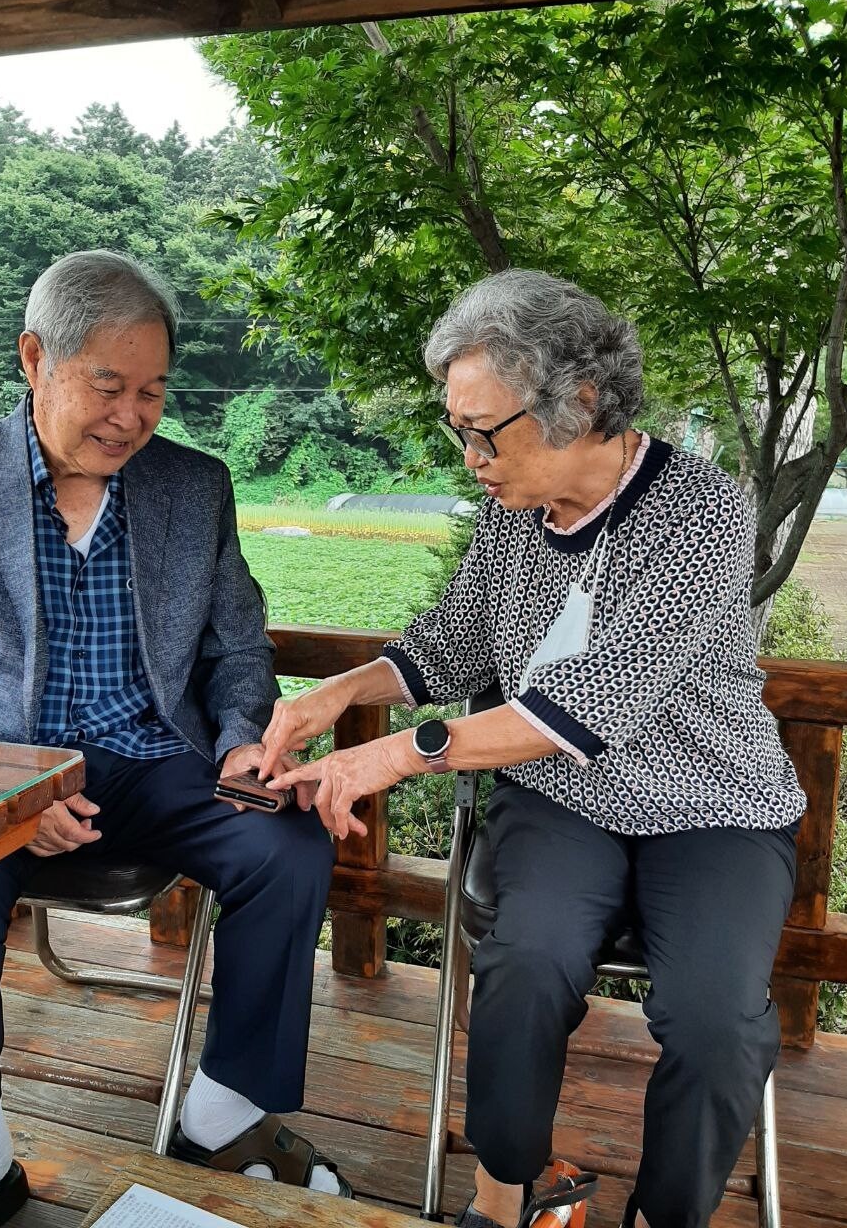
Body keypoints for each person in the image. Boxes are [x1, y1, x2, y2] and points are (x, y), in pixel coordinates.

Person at [260, 270, 806, 1228]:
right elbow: (454, 641)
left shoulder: (703, 514)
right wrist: (339, 695)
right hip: (562, 799)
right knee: (526, 961)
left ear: (582, 400)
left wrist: (393, 754)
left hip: (714, 803)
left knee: (718, 1020)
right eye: (457, 431)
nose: (470, 455)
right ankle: (502, 1194)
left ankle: (665, 1216)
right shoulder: (512, 517)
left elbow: (591, 700)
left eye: (485, 430)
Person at [0, 250, 349, 1227]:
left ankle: (221, 1110)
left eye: (151, 389)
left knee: (288, 843)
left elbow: (240, 642)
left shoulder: (193, 484)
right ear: (34, 359)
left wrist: (245, 735)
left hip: (164, 765)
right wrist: (14, 790)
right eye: (107, 385)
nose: (132, 414)